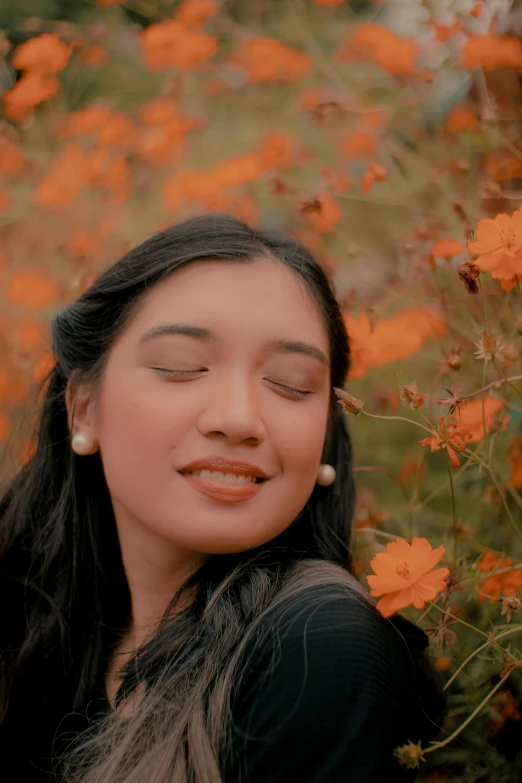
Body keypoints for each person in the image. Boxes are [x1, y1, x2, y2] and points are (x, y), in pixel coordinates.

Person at [0, 213, 447, 782]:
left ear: (325, 435)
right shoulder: (41, 634)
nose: (238, 419)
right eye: (180, 367)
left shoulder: (319, 648)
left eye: (290, 384)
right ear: (83, 407)